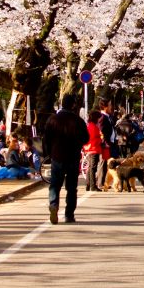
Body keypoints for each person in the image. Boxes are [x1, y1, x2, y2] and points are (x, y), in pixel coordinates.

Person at [43, 95, 87, 224]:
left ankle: (53, 204)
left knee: (55, 185)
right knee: (72, 187)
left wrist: (48, 153)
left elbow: (46, 138)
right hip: (73, 157)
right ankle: (69, 215)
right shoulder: (78, 121)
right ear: (73, 105)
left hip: (57, 156)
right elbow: (85, 138)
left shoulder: (52, 119)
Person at [82, 110, 109, 192]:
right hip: (94, 149)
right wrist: (101, 141)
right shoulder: (93, 127)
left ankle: (88, 184)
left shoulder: (89, 125)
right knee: (93, 168)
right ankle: (93, 186)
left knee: (90, 167)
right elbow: (95, 139)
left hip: (90, 148)